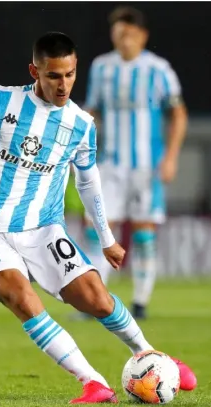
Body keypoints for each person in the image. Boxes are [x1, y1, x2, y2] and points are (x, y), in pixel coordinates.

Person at [0, 31, 197, 403]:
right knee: (18, 296)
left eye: (69, 74)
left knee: (96, 298)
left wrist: (107, 238)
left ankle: (152, 355)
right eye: (53, 76)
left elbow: (89, 182)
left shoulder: (81, 124)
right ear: (35, 71)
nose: (63, 84)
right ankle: (93, 382)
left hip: (45, 229)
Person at [82, 6, 188, 320]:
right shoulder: (102, 67)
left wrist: (171, 157)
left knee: (143, 232)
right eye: (118, 34)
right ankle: (96, 301)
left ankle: (140, 303)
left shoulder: (159, 69)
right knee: (98, 229)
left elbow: (178, 115)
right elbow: (93, 111)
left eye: (128, 33)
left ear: (142, 36)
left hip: (147, 166)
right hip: (110, 165)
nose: (123, 39)